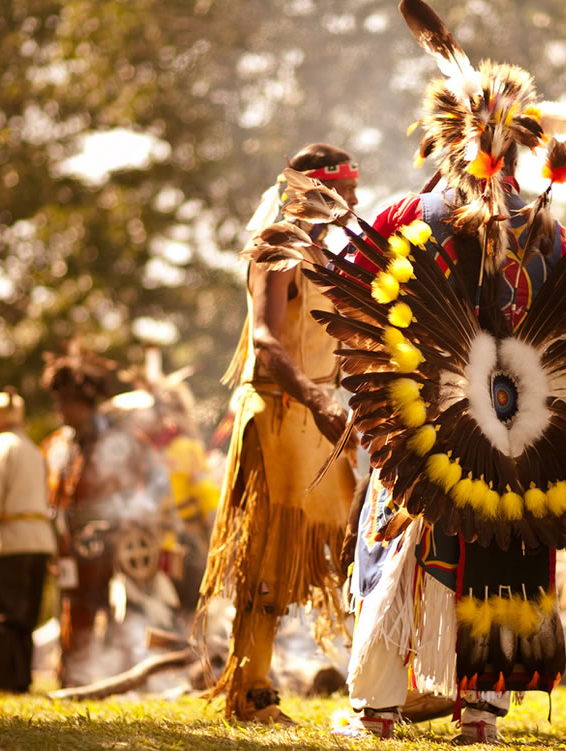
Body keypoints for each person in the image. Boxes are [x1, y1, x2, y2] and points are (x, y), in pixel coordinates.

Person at [311, 1, 566, 742]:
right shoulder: (549, 225)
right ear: (515, 150)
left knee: (403, 544)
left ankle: (378, 708)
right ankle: (480, 713)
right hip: (523, 419)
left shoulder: (409, 214)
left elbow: (349, 289)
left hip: (426, 416)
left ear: (450, 140)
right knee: (506, 546)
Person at [195, 142, 359, 724]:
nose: (356, 200)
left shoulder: (319, 255)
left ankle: (378, 683)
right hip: (276, 414)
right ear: (318, 191)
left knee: (348, 549)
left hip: (312, 418)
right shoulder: (276, 247)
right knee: (264, 557)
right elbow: (266, 340)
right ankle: (252, 691)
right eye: (348, 189)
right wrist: (316, 398)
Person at [42, 344, 172, 688]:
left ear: (81, 404)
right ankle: (74, 676)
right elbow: (53, 496)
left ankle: (122, 678)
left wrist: (130, 516)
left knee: (119, 613)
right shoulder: (59, 445)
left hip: (115, 543)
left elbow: (156, 481)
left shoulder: (119, 441)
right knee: (75, 609)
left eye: (63, 403)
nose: (58, 410)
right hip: (72, 547)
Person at [0, 388, 57, 693]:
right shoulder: (33, 450)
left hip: (10, 543)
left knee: (3, 615)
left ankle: (8, 683)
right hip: (39, 543)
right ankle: (21, 680)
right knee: (25, 617)